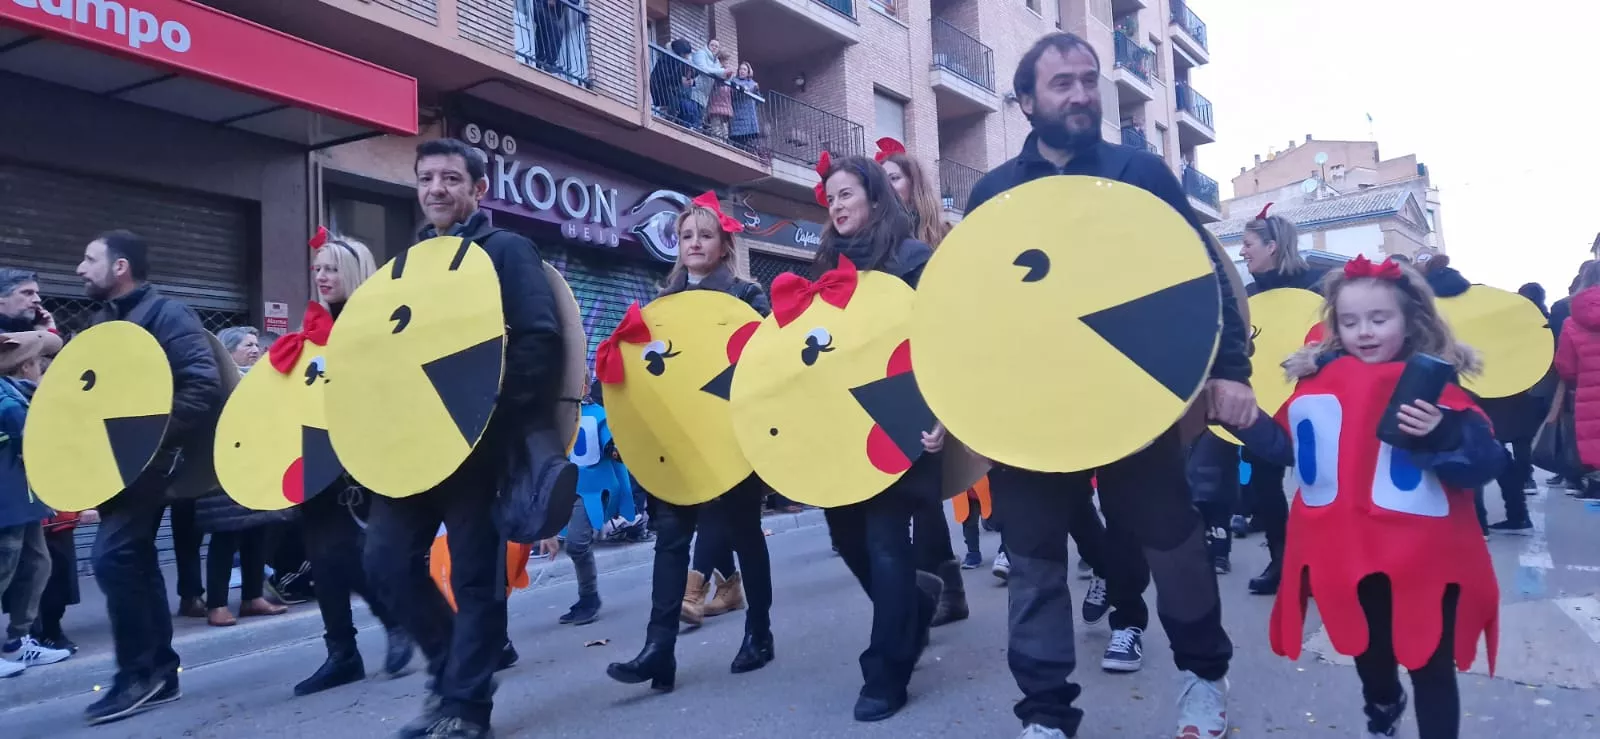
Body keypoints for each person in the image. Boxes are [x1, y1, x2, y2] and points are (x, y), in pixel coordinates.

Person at [963, 33, 1253, 739]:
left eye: (1089, 80)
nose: (1082, 94)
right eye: (1062, 83)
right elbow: (969, 308)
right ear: (1026, 101)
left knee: (1172, 540)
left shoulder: (1142, 172)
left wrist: (1230, 370)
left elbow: (1203, 277)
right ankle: (1046, 714)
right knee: (1031, 559)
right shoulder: (994, 193)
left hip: (1133, 397)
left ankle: (1204, 680)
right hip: (1030, 410)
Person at [1223, 255, 1502, 739]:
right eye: (1350, 322)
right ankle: (1383, 705)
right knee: (1370, 651)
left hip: (1426, 560)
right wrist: (1243, 421)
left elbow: (1485, 462)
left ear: (1411, 319)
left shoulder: (1434, 385)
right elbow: (1289, 449)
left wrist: (1441, 432)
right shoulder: (1319, 384)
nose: (1364, 332)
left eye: (1379, 319)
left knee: (1430, 663)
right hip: (1349, 553)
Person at [364, 138, 565, 739]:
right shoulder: (407, 265)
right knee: (384, 563)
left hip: (480, 448)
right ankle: (453, 668)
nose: (436, 190)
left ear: (478, 189)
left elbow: (539, 340)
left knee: (477, 578)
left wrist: (492, 419)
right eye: (426, 178)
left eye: (450, 178)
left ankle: (465, 707)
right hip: (410, 446)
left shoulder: (506, 250)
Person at [606, 192, 777, 689]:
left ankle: (759, 633)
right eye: (686, 236)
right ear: (676, 245)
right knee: (671, 538)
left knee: (744, 532)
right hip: (677, 441)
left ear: (724, 244)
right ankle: (659, 648)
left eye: (705, 235)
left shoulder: (747, 298)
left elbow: (766, 363)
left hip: (732, 439)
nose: (694, 243)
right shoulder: (662, 305)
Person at [809, 155, 945, 722]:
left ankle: (887, 670)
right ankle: (913, 603)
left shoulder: (915, 261)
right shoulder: (822, 270)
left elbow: (943, 343)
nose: (839, 206)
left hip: (898, 418)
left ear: (873, 199)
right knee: (846, 535)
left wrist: (943, 415)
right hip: (841, 426)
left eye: (847, 194)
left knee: (888, 540)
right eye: (831, 198)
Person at [76, 231, 225, 725]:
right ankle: (158, 673)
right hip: (114, 467)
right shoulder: (101, 321)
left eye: (90, 259)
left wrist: (150, 442)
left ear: (120, 268)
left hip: (151, 465)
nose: (79, 268)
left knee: (112, 556)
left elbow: (201, 386)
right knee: (132, 559)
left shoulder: (168, 315)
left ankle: (140, 673)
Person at [289, 230, 416, 696]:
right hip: (317, 450)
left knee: (355, 552)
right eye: (317, 269)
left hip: (366, 456)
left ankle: (397, 620)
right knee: (323, 555)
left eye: (331, 268)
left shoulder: (376, 326)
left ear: (355, 271)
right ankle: (342, 653)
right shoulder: (310, 330)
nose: (321, 276)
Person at [876, 139, 967, 627]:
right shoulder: (877, 246)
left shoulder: (937, 243)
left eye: (894, 177)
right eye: (881, 179)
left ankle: (936, 591)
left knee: (926, 489)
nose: (886, 187)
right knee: (920, 492)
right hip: (894, 377)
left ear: (913, 185)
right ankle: (945, 590)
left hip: (937, 374)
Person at [1233, 206, 1328, 595]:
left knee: (1323, 484)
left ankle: (1329, 561)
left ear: (1272, 246)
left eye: (1247, 244)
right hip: (1265, 407)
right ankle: (1284, 562)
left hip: (1316, 403)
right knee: (1264, 485)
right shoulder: (1248, 295)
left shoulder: (1320, 287)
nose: (1242, 252)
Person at [0, 329, 72, 678]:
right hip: (6, 504)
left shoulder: (21, 394)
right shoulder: (10, 402)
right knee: (3, 572)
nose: (44, 368)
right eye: (40, 362)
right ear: (26, 365)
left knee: (36, 565)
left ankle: (17, 642)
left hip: (23, 503)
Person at [1554, 262, 1600, 500]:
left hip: (1589, 392)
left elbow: (1566, 368)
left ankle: (1596, 484)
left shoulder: (1572, 321)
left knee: (1594, 435)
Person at [729, 61, 763, 152]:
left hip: (750, 116)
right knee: (738, 140)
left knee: (749, 142)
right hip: (738, 114)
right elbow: (732, 95)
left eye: (744, 69)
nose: (742, 71)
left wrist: (757, 91)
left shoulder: (753, 83)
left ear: (748, 72)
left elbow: (759, 100)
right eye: (740, 69)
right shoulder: (734, 81)